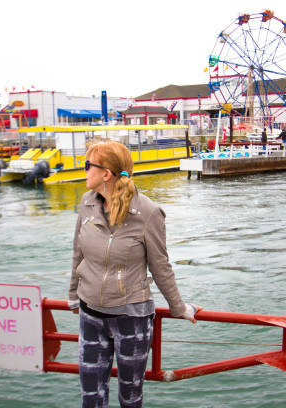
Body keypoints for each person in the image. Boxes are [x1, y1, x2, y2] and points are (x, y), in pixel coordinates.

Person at [68, 140, 201, 408]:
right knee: (91, 398)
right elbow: (77, 253)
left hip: (131, 320)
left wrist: (178, 307)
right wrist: (73, 296)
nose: (84, 171)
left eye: (87, 165)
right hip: (90, 315)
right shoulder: (87, 203)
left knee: (130, 398)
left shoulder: (148, 213)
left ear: (105, 173)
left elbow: (160, 266)